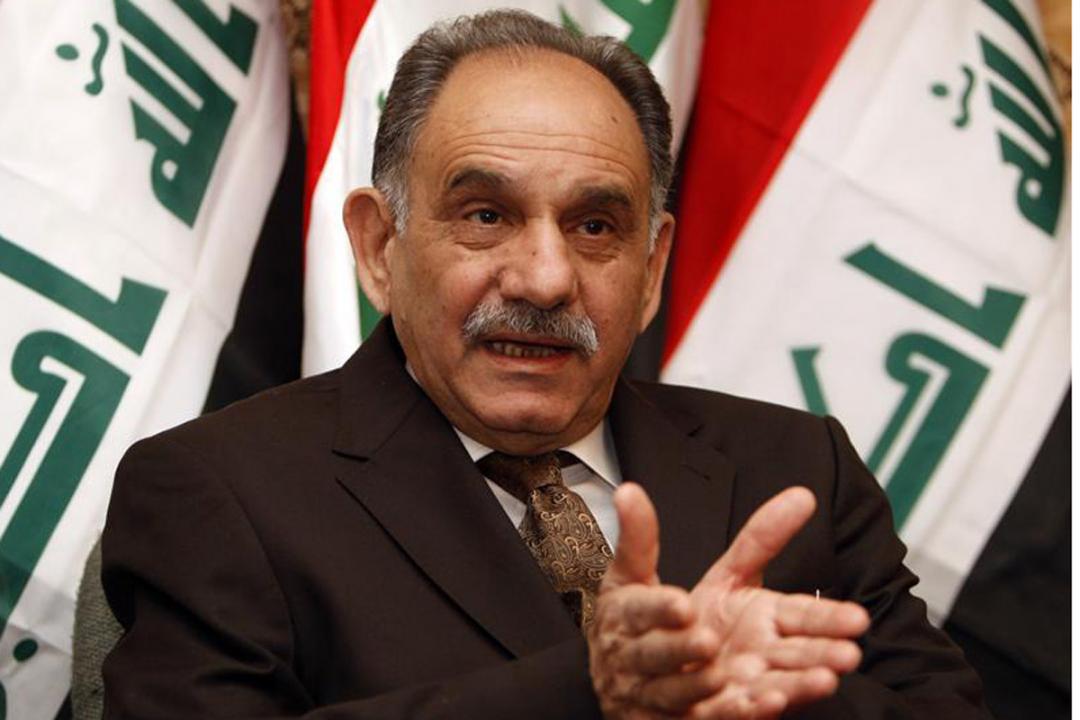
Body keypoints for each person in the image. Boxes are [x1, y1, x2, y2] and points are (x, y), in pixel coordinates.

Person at [100, 10, 989, 719]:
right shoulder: (218, 493)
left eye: (595, 226)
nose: (546, 278)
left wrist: (760, 692)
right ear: (378, 247)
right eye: (486, 215)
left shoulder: (795, 472)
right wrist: (595, 691)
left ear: (651, 268)